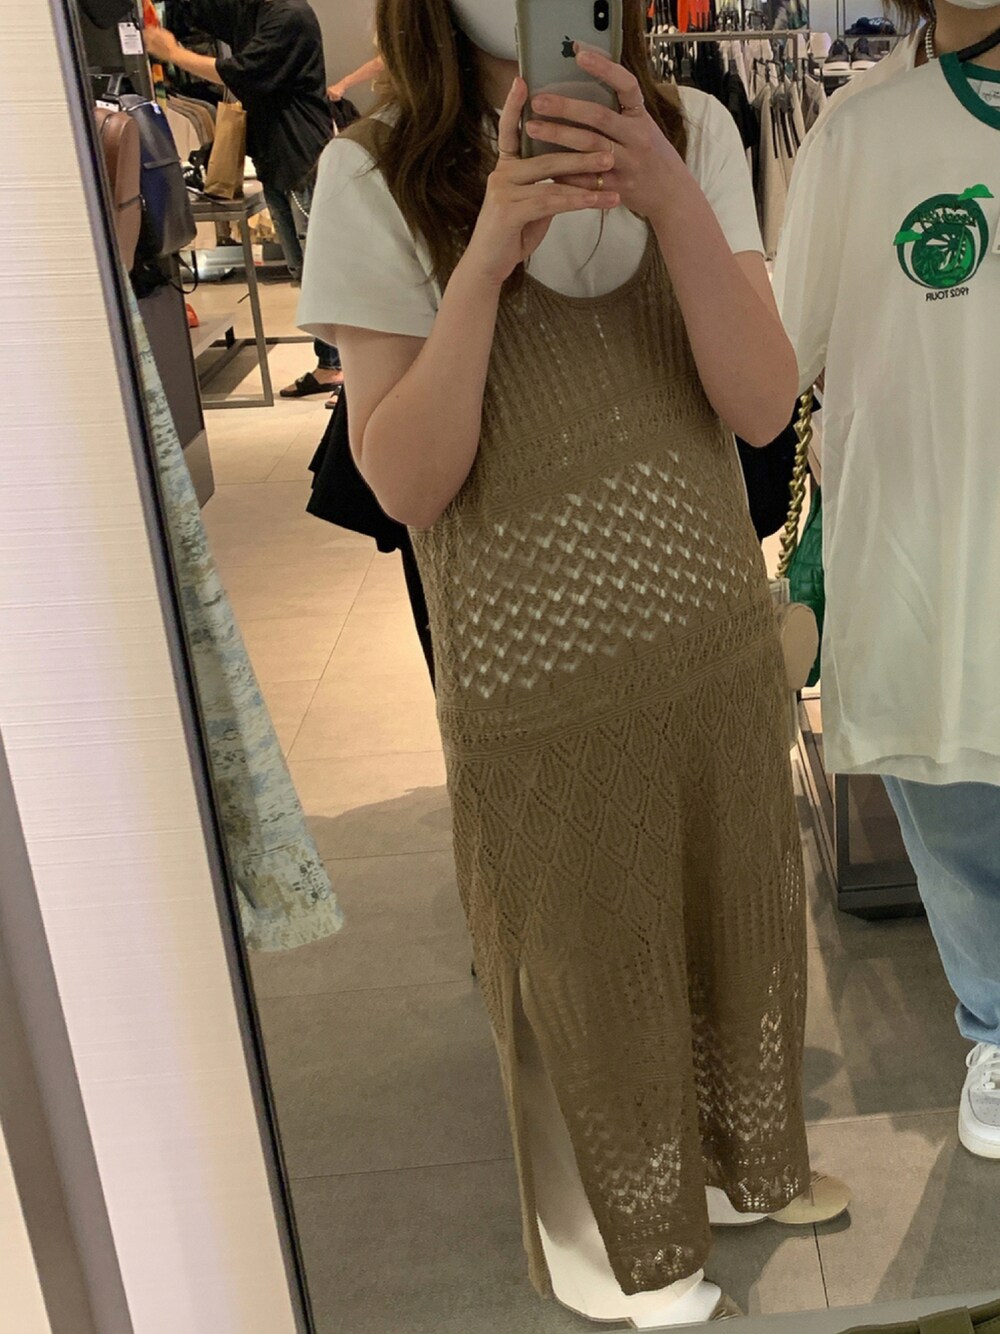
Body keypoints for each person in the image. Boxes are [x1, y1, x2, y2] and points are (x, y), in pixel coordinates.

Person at [300, 0, 851, 1325]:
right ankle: (609, 1235)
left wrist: (671, 201)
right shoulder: (372, 173)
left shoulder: (694, 128)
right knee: (576, 954)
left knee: (730, 921)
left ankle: (726, 1166)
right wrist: (484, 258)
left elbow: (761, 404)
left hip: (707, 640)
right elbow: (409, 482)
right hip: (531, 671)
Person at [774, 0, 1000, 1161]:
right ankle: (994, 1023)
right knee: (951, 791)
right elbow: (779, 351)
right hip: (926, 547)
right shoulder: (859, 134)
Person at [145, 0, 343, 398]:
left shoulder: (288, 15)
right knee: (306, 270)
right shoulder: (255, 11)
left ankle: (341, 366)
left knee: (323, 270)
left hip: (302, 157)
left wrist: (173, 54)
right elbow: (198, 13)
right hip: (279, 160)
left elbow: (241, 72)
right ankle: (332, 364)